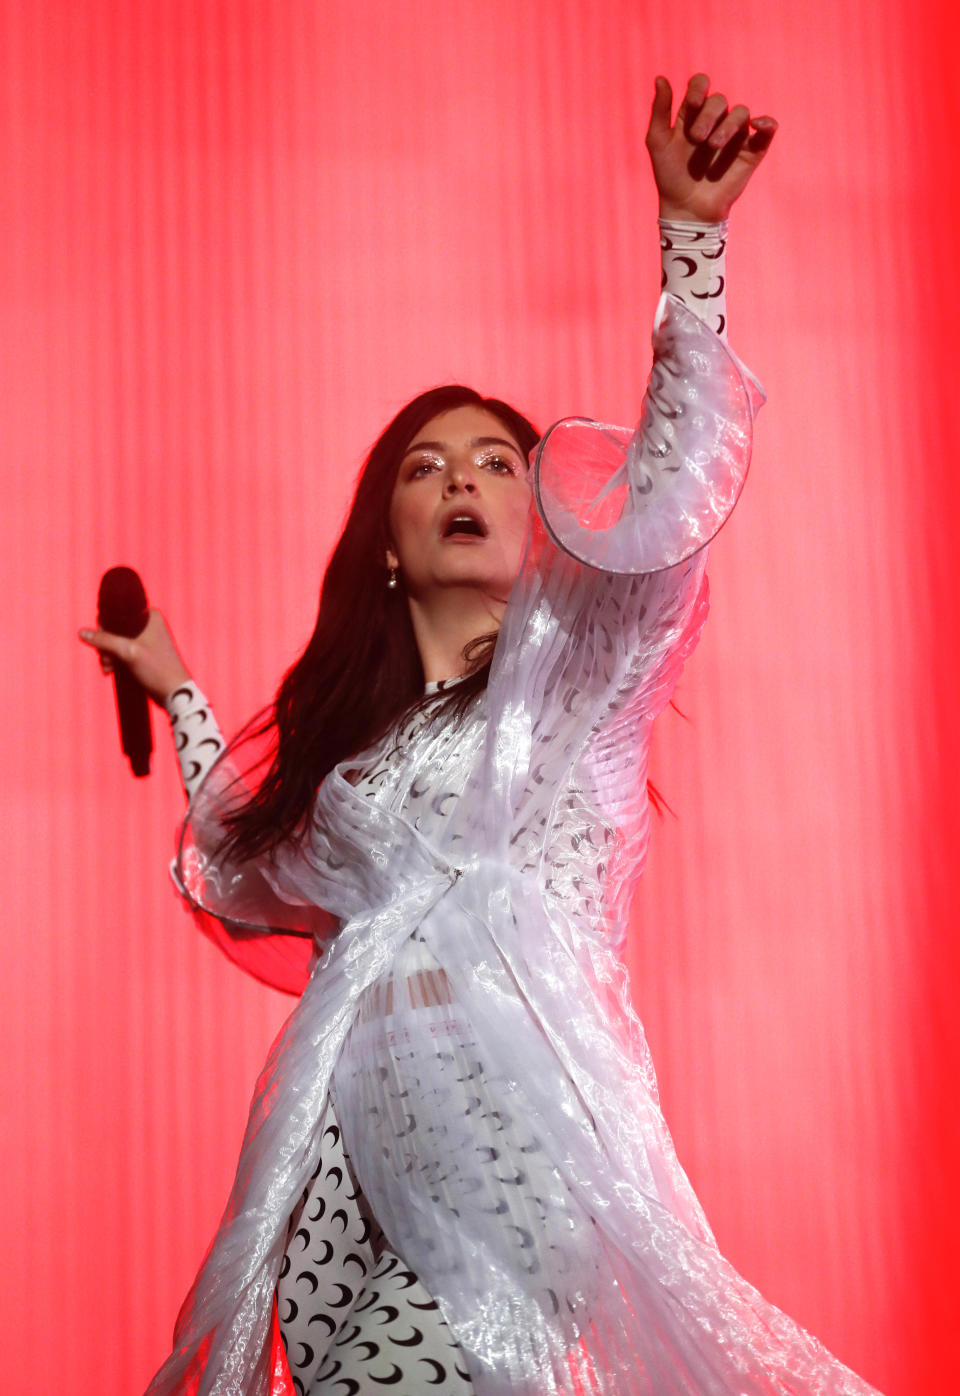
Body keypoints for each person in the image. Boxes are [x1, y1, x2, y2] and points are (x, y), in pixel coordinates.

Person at [81, 75, 882, 1396]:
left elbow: (677, 480)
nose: (461, 477)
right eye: (424, 465)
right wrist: (180, 693)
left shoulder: (583, 686)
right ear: (388, 548)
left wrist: (691, 244)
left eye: (497, 459)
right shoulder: (349, 778)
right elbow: (234, 862)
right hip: (335, 1150)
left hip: (512, 1136)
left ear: (549, 523)